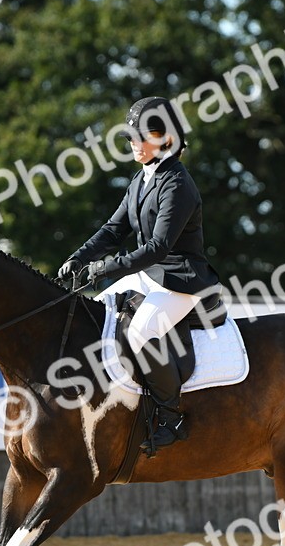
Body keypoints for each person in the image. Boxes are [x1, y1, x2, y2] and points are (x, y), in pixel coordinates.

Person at [58, 96, 222, 455]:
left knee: (139, 331)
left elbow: (160, 247)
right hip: (150, 274)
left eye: (139, 136)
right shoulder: (143, 178)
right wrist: (79, 257)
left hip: (181, 279)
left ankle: (170, 415)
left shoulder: (177, 183)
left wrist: (106, 267)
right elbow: (114, 228)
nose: (132, 143)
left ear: (165, 139)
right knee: (98, 310)